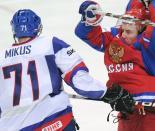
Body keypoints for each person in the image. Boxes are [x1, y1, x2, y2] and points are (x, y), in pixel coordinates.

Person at [0, 9, 135, 131]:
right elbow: (79, 80)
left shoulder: (1, 57)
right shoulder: (50, 44)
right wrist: (107, 93)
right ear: (37, 27)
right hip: (54, 123)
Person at [75, 0, 155, 131]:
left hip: (152, 110)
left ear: (142, 29)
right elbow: (86, 35)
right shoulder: (117, 37)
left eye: (128, 31)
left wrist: (153, 1)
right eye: (122, 29)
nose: (123, 34)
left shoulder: (151, 44)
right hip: (126, 107)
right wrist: (90, 21)